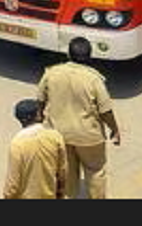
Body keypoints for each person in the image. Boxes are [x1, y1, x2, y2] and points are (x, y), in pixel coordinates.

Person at [36, 37, 121, 199]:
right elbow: (105, 110)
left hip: (59, 134)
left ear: (69, 54)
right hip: (89, 136)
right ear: (89, 57)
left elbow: (40, 99)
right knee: (95, 170)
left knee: (67, 172)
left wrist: (40, 118)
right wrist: (115, 130)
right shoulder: (93, 79)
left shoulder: (51, 73)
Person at [3, 98, 68, 199]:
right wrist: (60, 193)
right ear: (37, 115)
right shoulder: (55, 137)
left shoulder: (17, 144)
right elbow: (62, 171)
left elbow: (12, 185)